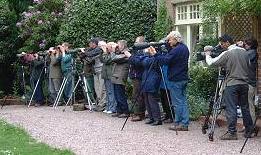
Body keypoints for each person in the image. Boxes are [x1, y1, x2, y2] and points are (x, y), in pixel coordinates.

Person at [205, 34, 254, 140]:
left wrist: (207, 55)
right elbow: (249, 65)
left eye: (222, 44)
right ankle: (249, 131)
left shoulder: (227, 53)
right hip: (244, 84)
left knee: (231, 108)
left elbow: (212, 63)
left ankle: (232, 133)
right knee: (245, 108)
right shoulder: (245, 52)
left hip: (232, 84)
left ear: (227, 42)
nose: (222, 46)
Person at [148, 31, 190, 131]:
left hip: (176, 79)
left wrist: (155, 54)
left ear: (176, 39)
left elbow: (165, 61)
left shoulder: (176, 50)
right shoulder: (184, 48)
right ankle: (184, 122)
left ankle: (179, 123)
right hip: (183, 77)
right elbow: (171, 54)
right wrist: (168, 45)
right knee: (183, 101)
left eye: (170, 39)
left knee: (177, 102)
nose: (169, 41)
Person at [126, 47, 162, 125]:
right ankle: (151, 117)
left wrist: (145, 55)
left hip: (152, 79)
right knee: (146, 99)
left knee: (152, 99)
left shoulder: (155, 58)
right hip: (146, 78)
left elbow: (144, 62)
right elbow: (140, 60)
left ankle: (157, 118)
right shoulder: (148, 57)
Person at [110, 40, 130, 118]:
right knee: (116, 95)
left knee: (120, 95)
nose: (117, 47)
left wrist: (113, 50)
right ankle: (119, 111)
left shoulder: (126, 53)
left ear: (122, 46)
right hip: (116, 76)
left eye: (118, 45)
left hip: (121, 76)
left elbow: (114, 58)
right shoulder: (120, 53)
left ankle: (125, 111)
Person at [128, 36, 146, 122]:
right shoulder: (136, 51)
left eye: (136, 42)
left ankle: (138, 113)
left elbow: (138, 63)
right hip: (135, 75)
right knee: (136, 95)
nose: (135, 44)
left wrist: (130, 57)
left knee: (137, 95)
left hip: (138, 75)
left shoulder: (142, 52)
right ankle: (138, 112)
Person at [101, 42, 117, 114]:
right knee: (107, 92)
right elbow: (102, 59)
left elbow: (106, 60)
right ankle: (108, 107)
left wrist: (105, 52)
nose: (106, 49)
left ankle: (112, 108)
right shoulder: (107, 54)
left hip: (110, 75)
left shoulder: (113, 54)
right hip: (106, 75)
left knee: (111, 92)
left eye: (108, 47)